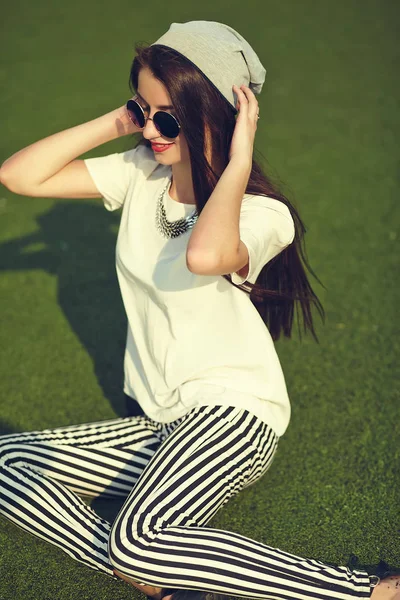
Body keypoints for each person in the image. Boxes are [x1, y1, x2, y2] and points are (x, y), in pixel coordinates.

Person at [0, 20, 397, 600]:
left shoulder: (264, 215)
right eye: (143, 110)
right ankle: (155, 573)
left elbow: (208, 254)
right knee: (11, 463)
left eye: (168, 117)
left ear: (213, 113)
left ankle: (365, 591)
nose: (152, 131)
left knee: (137, 535)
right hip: (160, 420)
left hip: (233, 415)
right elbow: (17, 175)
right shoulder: (142, 174)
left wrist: (235, 162)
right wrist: (121, 120)